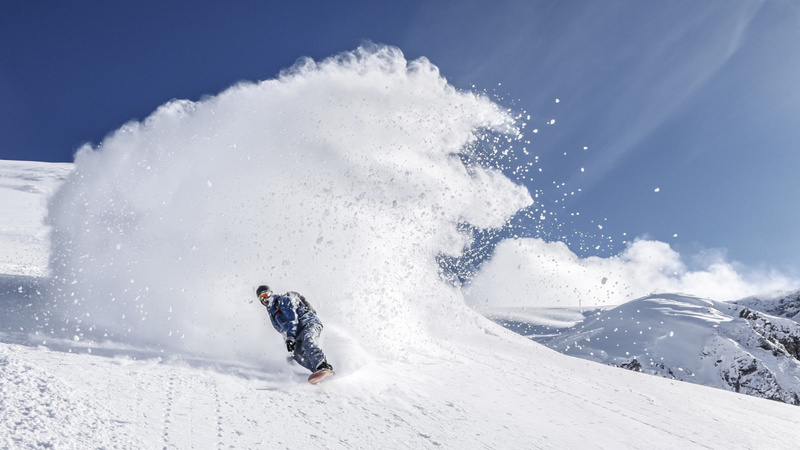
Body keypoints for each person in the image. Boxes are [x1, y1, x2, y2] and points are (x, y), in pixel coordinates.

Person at [256, 285, 333, 380]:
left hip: (309, 322)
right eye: (261, 298)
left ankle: (323, 366)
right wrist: (289, 347)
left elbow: (293, 319)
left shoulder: (283, 300)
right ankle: (319, 372)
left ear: (271, 293)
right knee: (297, 355)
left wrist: (291, 338)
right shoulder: (272, 315)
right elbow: (284, 331)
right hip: (297, 332)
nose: (264, 299)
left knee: (308, 340)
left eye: (265, 295)